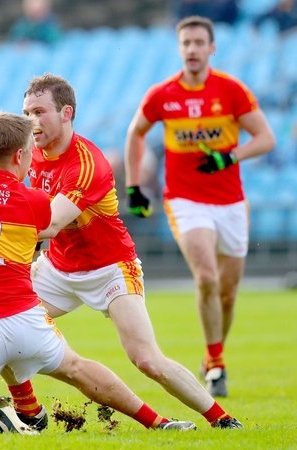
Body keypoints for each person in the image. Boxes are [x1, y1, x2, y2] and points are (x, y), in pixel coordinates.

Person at [0, 74, 243, 429]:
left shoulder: (86, 164)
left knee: (146, 359)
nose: (31, 122)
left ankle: (220, 418)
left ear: (67, 113)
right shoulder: (31, 154)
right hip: (58, 269)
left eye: (39, 112)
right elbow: (17, 194)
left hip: (109, 268)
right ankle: (29, 408)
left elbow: (49, 225)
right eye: (26, 112)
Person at [0, 111, 198, 436]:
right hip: (24, 319)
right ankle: (158, 423)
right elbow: (40, 222)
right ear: (20, 155)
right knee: (79, 369)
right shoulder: (35, 202)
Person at [124, 16, 276, 398]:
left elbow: (265, 138)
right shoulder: (163, 95)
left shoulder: (231, 91)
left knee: (227, 291)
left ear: (212, 49)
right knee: (206, 277)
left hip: (230, 201)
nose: (191, 49)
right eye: (185, 43)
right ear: (180, 49)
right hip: (185, 200)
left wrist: (230, 156)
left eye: (198, 43)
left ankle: (212, 357)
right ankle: (218, 366)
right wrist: (134, 187)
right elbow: (135, 133)